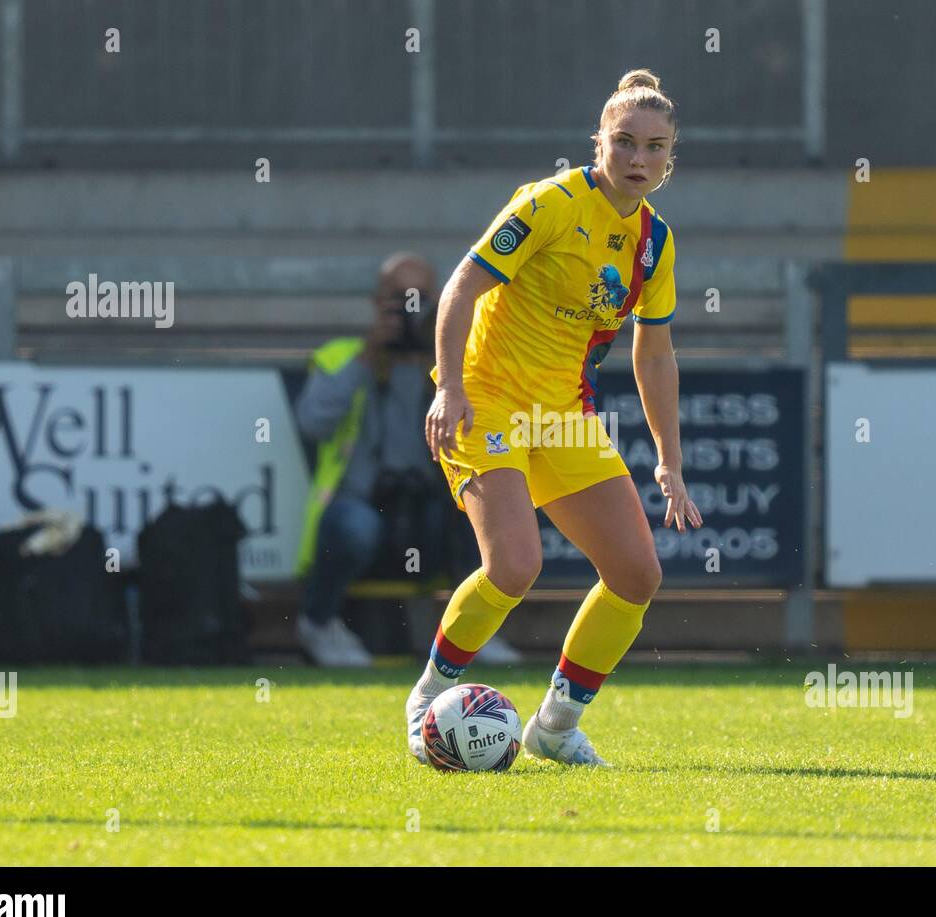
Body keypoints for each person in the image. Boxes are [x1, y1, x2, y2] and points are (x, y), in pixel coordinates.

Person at [406, 69, 702, 766]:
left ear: (670, 158)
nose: (638, 159)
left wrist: (669, 459)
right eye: (624, 142)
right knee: (514, 564)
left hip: (562, 415)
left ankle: (555, 724)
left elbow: (654, 355)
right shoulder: (550, 203)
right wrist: (449, 388)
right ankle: (428, 695)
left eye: (655, 148)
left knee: (637, 575)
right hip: (486, 398)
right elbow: (461, 286)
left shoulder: (655, 243)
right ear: (597, 142)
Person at [293, 253, 523, 667]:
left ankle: (478, 631)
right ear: (376, 302)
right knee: (352, 525)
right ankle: (320, 624)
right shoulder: (344, 356)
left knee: (484, 514)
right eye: (399, 298)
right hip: (365, 510)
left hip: (432, 514)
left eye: (419, 298)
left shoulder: (457, 362)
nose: (409, 308)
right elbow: (312, 423)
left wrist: (441, 362)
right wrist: (370, 355)